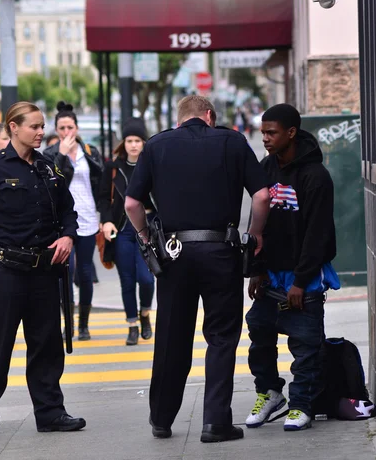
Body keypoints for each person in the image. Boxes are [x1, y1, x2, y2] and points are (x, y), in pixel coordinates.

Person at [124, 95, 270, 443]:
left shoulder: (156, 145)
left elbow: (132, 203)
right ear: (209, 115)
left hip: (174, 253)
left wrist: (146, 237)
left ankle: (161, 418)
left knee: (172, 336)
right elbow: (262, 196)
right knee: (221, 337)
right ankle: (215, 422)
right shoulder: (232, 140)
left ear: (179, 120)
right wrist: (255, 233)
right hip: (222, 251)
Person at [0, 101, 85, 442]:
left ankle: (51, 413)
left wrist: (68, 236)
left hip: (43, 272)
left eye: (42, 126)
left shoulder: (47, 167)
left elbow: (69, 212)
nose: (41, 132)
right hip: (5, 272)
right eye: (34, 126)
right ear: (13, 127)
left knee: (47, 346)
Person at [245, 103, 339, 432]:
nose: (266, 139)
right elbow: (258, 223)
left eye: (271, 133)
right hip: (270, 273)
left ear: (291, 132)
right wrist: (256, 269)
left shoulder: (315, 176)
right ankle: (270, 393)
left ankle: (302, 404)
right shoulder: (265, 169)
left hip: (304, 276)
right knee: (259, 331)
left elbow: (319, 232)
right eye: (263, 133)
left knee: (305, 344)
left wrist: (301, 280)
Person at [44, 102, 103, 341]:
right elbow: (52, 183)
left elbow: (100, 183)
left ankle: (83, 324)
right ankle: (67, 321)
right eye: (61, 128)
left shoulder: (89, 151)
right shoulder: (51, 154)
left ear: (77, 128)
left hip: (87, 217)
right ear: (56, 130)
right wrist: (62, 155)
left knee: (86, 272)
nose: (66, 132)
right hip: (62, 221)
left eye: (70, 127)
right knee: (64, 273)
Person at [99, 117, 155, 346]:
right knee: (127, 280)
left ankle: (144, 314)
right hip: (121, 230)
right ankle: (132, 324)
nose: (133, 145)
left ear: (144, 142)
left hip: (146, 229)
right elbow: (103, 198)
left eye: (138, 140)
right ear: (124, 142)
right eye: (129, 140)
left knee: (147, 279)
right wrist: (106, 221)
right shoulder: (113, 168)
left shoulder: (152, 165)